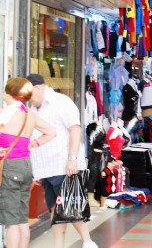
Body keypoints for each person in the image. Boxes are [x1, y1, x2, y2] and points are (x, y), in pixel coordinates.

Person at [26, 74, 98, 248]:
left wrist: (72, 159)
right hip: (46, 168)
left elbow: (75, 129)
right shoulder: (34, 109)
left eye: (29, 93)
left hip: (63, 165)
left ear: (38, 88)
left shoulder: (61, 102)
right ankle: (60, 245)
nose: (28, 99)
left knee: (69, 208)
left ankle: (88, 242)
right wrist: (35, 170)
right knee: (55, 209)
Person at [0, 77, 56, 248]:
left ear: (9, 92)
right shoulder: (29, 114)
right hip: (25, 165)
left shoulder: (7, 113)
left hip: (10, 166)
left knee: (11, 222)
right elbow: (51, 132)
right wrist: (32, 144)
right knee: (22, 218)